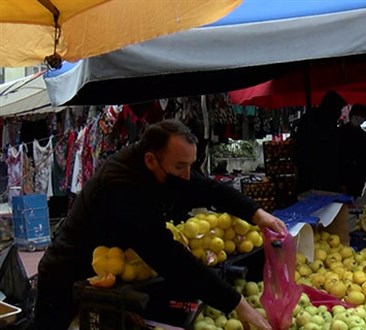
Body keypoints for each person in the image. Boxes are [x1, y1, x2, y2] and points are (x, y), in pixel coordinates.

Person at [34, 120, 287, 330]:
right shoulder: (120, 187)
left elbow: (209, 188)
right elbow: (168, 256)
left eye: (191, 165)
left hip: (112, 274)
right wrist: (236, 303)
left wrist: (256, 213)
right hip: (67, 277)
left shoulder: (168, 168)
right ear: (151, 160)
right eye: (180, 167)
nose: (187, 175)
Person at [293, 91, 346, 194]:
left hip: (320, 171)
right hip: (313, 172)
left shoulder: (325, 120)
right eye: (339, 109)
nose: (339, 113)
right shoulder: (316, 121)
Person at [338, 104, 366, 198]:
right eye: (357, 115)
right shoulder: (340, 133)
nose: (359, 118)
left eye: (362, 116)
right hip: (341, 179)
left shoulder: (364, 136)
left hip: (358, 180)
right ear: (352, 115)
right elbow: (335, 158)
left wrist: (364, 177)